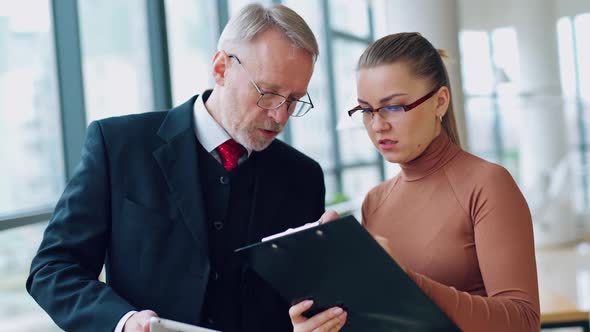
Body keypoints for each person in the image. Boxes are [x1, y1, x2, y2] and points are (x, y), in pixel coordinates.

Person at [27, 4, 346, 332]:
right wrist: (122, 322)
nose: (281, 116)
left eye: (294, 100)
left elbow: (304, 303)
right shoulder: (118, 145)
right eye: (268, 93)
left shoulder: (303, 176)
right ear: (221, 68)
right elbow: (54, 269)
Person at [290, 32, 540, 331]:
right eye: (366, 110)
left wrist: (405, 280)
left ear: (440, 102)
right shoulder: (375, 201)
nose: (378, 125)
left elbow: (523, 322)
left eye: (394, 107)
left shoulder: (487, 184)